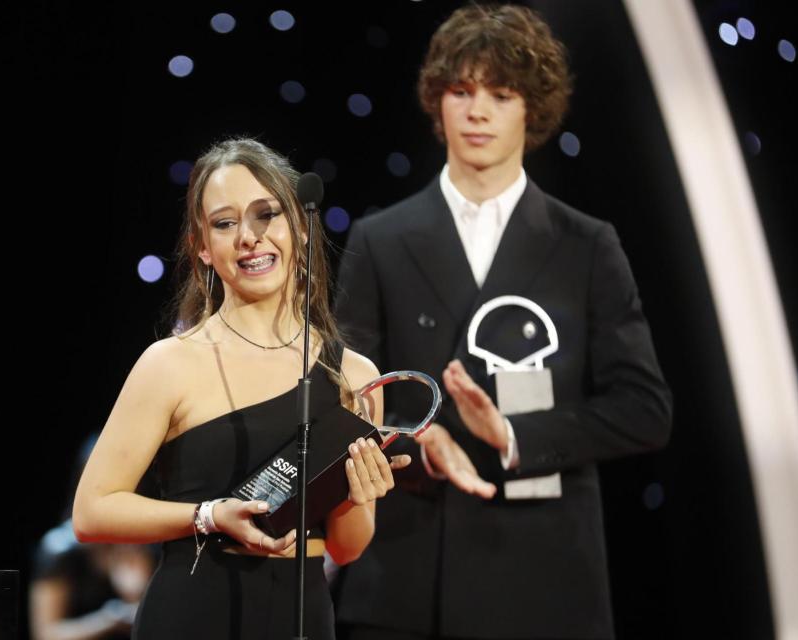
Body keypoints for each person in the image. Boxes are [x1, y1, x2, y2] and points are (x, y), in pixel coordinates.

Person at [334, 5, 672, 639]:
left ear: (532, 109)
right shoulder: (380, 239)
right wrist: (413, 436)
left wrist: (513, 434)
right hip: (406, 580)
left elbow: (644, 409)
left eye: (500, 93)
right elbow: (343, 393)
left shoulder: (586, 245)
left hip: (545, 581)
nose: (478, 110)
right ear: (437, 104)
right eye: (461, 91)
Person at [73, 138, 408, 640]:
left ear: (299, 225)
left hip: (303, 616)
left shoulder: (354, 376)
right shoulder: (170, 363)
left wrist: (355, 494)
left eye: (265, 214)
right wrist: (208, 516)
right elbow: (92, 512)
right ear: (202, 247)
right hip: (193, 612)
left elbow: (348, 548)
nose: (249, 237)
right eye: (225, 223)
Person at [30, 434, 156, 640]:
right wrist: (108, 620)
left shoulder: (149, 543)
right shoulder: (59, 549)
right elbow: (45, 634)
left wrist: (134, 595)